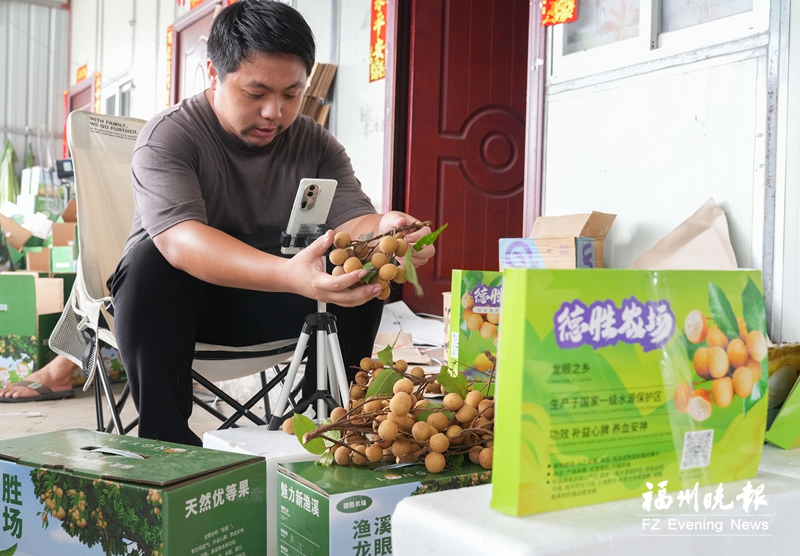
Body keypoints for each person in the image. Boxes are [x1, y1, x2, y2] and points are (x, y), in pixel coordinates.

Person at [105, 0, 434, 447]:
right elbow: (181, 242)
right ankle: (167, 444)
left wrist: (386, 229)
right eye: (256, 94)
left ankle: (327, 426)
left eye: (291, 95)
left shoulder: (315, 143)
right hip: (183, 311)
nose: (274, 113)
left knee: (361, 271)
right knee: (149, 265)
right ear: (212, 73)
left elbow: (353, 221)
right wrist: (288, 274)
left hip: (274, 298)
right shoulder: (170, 136)